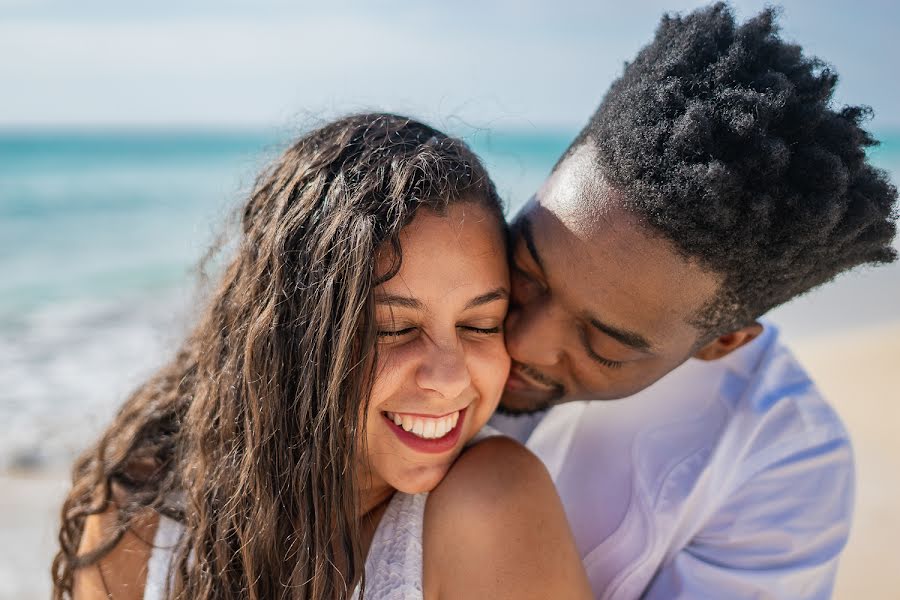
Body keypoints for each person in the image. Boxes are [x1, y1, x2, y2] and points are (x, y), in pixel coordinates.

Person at [52, 114, 592, 600]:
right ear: (290, 332)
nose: (449, 380)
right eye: (395, 328)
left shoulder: (492, 505)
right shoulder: (144, 517)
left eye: (479, 324)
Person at [490, 4, 898, 599]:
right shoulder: (413, 280)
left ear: (721, 343)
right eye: (529, 270)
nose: (523, 340)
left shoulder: (781, 465)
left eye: (602, 342)